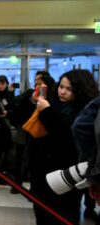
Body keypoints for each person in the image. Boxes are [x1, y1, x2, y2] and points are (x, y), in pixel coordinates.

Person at [30, 69, 98, 225]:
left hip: (67, 173)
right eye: (61, 86)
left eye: (69, 89)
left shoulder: (86, 111)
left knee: (62, 214)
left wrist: (47, 112)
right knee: (42, 213)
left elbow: (66, 139)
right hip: (43, 170)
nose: (63, 92)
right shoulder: (54, 103)